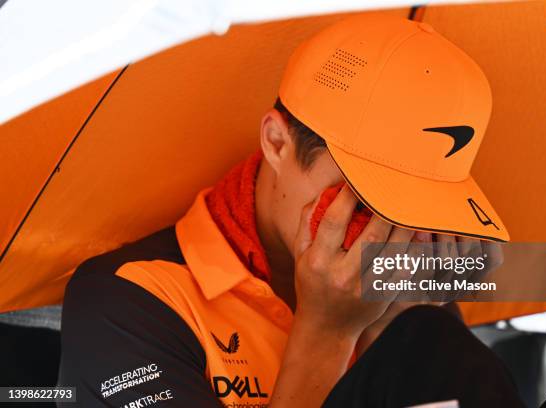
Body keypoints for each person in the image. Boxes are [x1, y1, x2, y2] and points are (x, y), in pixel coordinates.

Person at [58, 14, 522, 407]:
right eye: (367, 196)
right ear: (277, 142)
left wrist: (395, 325)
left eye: (419, 203)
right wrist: (327, 331)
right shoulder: (128, 303)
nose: (389, 230)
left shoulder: (401, 284)